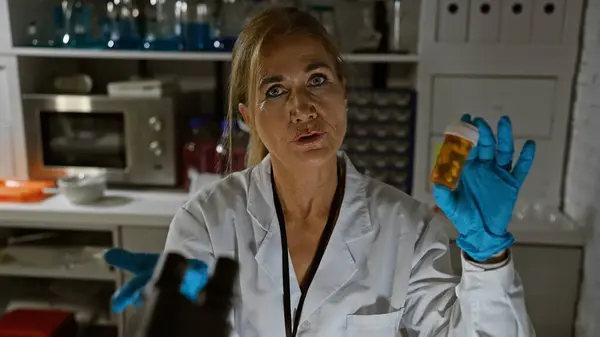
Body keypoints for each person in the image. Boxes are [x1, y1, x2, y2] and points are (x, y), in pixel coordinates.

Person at [104, 7, 537, 337]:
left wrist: (487, 258)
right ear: (247, 118)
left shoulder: (408, 227)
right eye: (275, 91)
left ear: (343, 93)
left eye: (317, 80)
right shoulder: (208, 223)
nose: (303, 108)